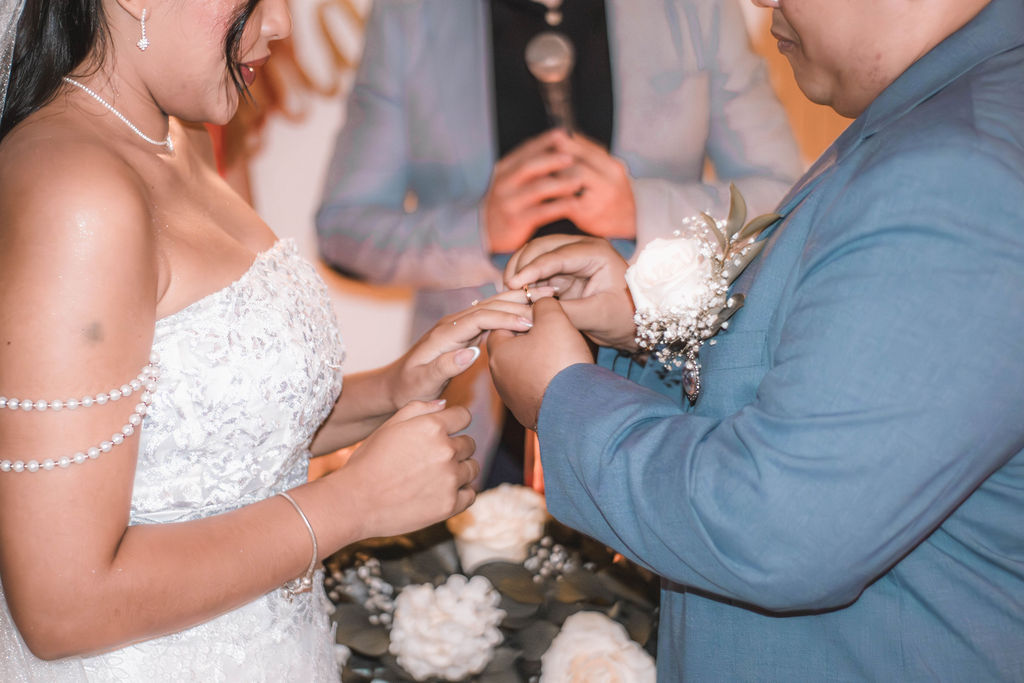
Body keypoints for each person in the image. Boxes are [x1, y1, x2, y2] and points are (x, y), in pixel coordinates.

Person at [0, 1, 538, 680]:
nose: (281, 24)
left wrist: (393, 387)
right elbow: (63, 607)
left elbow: (210, 445)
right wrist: (353, 504)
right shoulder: (75, 193)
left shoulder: (182, 140)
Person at [487, 0, 1024, 678]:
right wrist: (643, 324)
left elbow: (778, 530)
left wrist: (562, 400)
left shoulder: (957, 168)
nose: (761, 0)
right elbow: (828, 387)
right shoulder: (939, 117)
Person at [314, 0, 802, 485]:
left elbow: (786, 196)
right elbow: (344, 229)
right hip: (475, 411)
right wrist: (478, 228)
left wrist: (639, 207)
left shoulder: (699, 7)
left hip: (659, 393)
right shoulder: (410, 13)